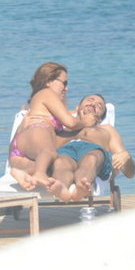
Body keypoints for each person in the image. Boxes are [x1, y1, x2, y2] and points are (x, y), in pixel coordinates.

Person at [9, 62, 96, 190]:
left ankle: (24, 174)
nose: (66, 88)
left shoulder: (41, 99)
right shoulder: (46, 93)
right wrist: (85, 122)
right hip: (38, 131)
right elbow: (71, 123)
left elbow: (66, 126)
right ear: (49, 81)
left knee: (52, 165)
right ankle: (39, 174)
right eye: (64, 83)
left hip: (20, 155)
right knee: (49, 152)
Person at [46, 94, 135, 201]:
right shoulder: (63, 128)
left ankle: (82, 186)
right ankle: (61, 188)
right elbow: (49, 149)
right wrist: (81, 123)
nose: (93, 104)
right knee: (60, 161)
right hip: (66, 152)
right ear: (77, 108)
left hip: (94, 153)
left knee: (91, 158)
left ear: (100, 118)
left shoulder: (107, 130)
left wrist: (127, 156)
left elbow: (130, 173)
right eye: (90, 100)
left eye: (99, 106)